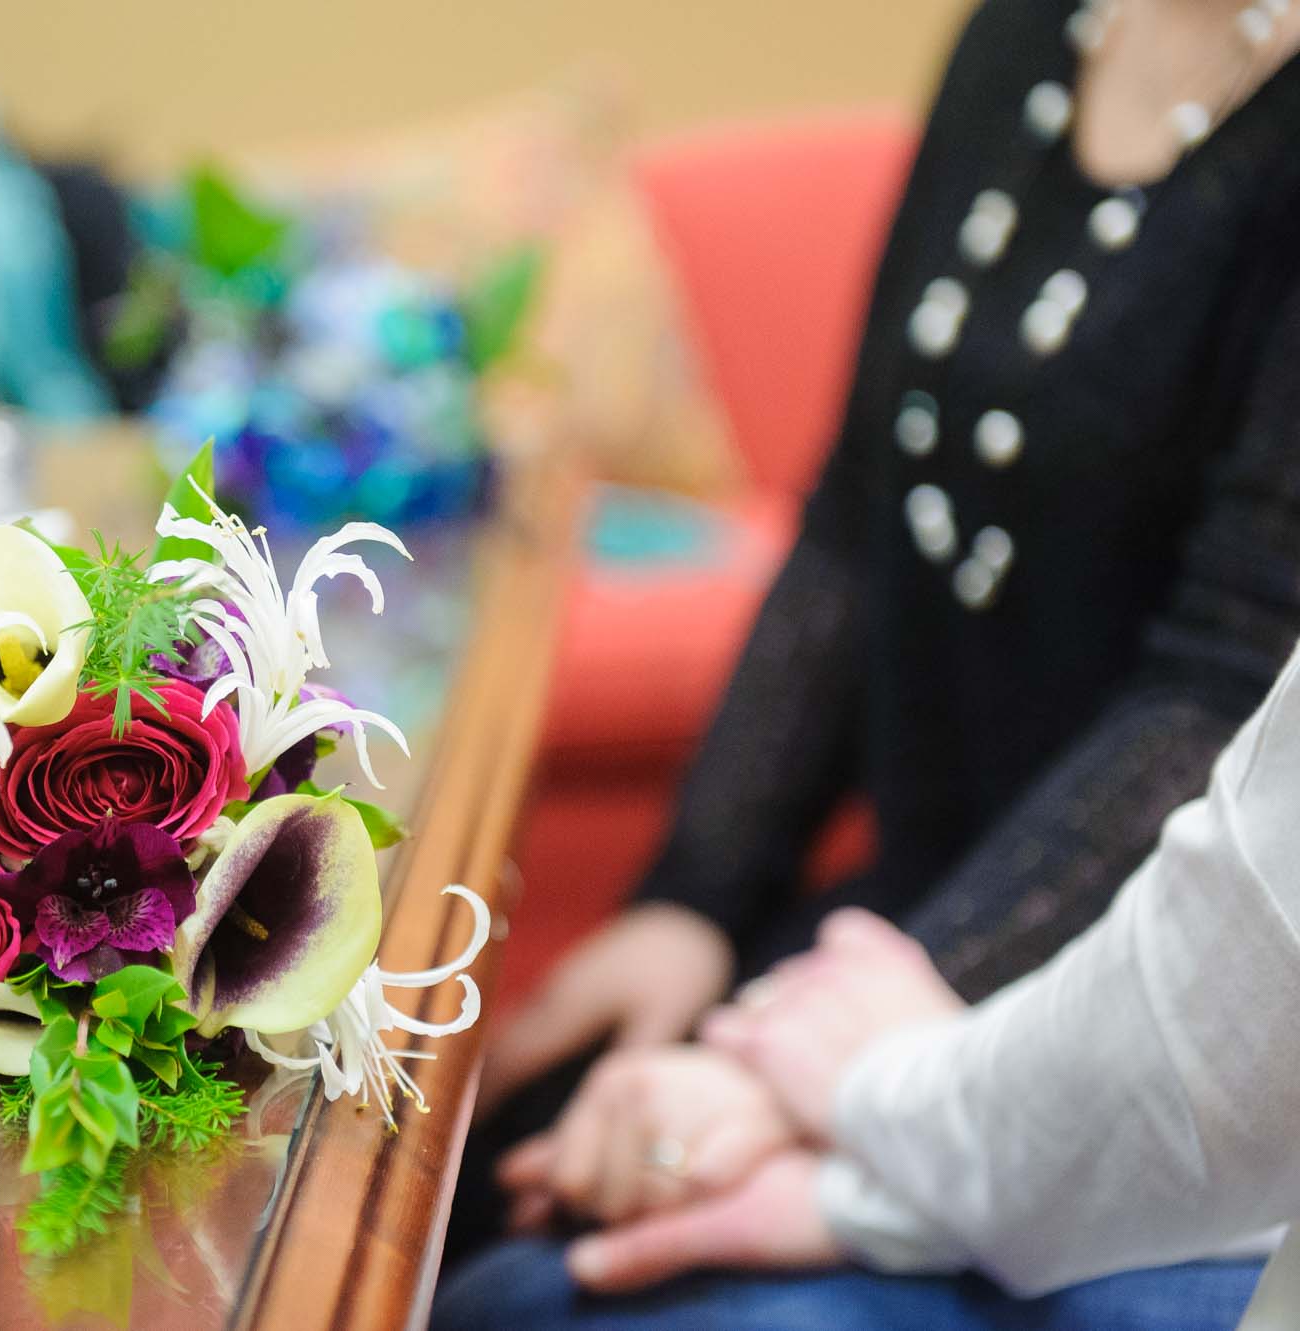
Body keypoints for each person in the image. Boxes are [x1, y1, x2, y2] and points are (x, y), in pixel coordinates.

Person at [449, 0, 1300, 1288]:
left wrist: (848, 1063)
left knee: (538, 1280)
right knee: (500, 1140)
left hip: (1140, 1001)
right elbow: (855, 515)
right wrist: (690, 898)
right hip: (913, 905)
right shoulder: (1023, 32)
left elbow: (1226, 677)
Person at [434, 631, 1300, 1328]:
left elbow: (1210, 1068)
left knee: (527, 1298)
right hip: (1015, 1055)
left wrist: (854, 1122)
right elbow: (852, 527)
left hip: (1140, 1140)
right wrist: (692, 898)